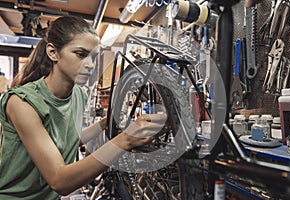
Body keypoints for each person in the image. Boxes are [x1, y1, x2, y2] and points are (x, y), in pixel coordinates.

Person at [0, 15, 166, 199]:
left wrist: (107, 122)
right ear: (53, 53)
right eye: (80, 54)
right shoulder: (22, 103)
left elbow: (69, 140)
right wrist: (125, 140)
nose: (90, 65)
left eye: (95, 57)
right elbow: (59, 180)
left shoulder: (79, 94)